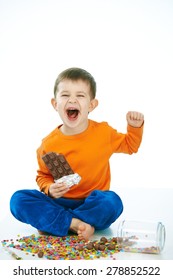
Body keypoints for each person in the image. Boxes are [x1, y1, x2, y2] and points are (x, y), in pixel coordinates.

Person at [10, 67, 144, 241]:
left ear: (92, 105)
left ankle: (57, 223)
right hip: (58, 202)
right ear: (55, 103)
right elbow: (43, 176)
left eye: (80, 95)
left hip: (92, 203)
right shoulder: (48, 144)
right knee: (18, 199)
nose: (72, 99)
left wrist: (134, 127)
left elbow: (130, 146)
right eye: (65, 95)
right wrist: (49, 189)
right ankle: (76, 224)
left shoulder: (104, 133)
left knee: (112, 202)